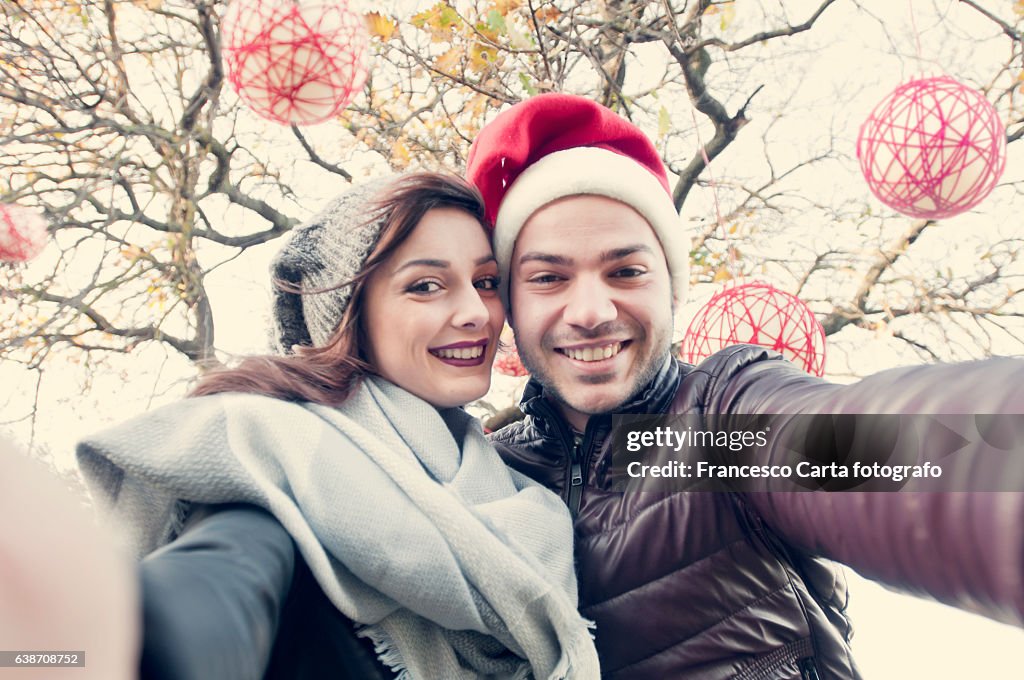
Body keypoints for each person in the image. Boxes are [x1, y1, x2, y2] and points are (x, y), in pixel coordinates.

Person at [464, 93, 1024, 679]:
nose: (590, 310)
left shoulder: (714, 428)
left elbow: (889, 453)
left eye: (625, 271)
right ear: (510, 302)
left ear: (671, 290)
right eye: (549, 277)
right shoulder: (483, 475)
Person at [77, 173, 599, 680]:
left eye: (485, 283)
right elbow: (202, 600)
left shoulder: (517, 486)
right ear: (348, 312)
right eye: (425, 286)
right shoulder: (280, 467)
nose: (475, 313)